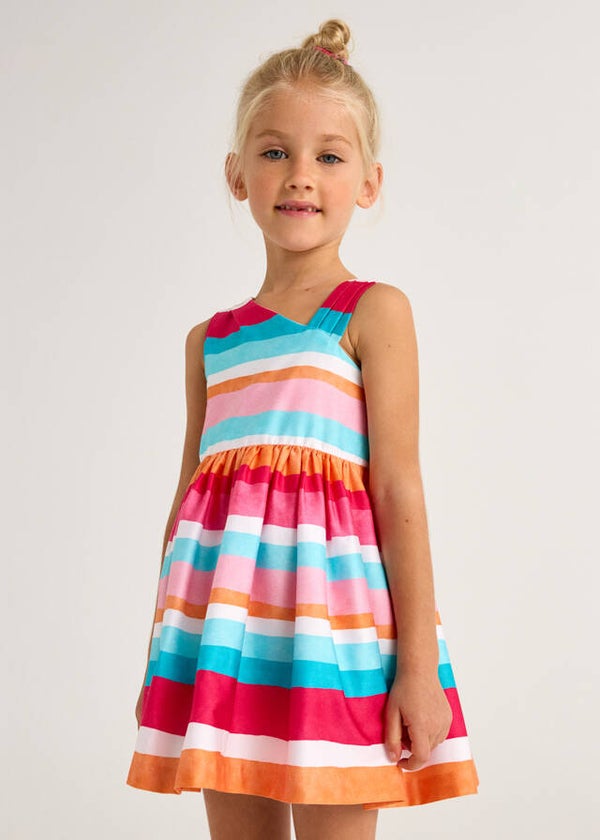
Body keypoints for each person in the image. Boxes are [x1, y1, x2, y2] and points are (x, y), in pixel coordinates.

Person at [127, 18, 479, 840]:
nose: (300, 176)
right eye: (276, 151)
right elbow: (188, 506)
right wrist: (164, 651)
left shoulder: (372, 313)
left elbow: (398, 486)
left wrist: (418, 667)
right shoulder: (209, 341)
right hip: (223, 640)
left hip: (337, 640)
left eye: (330, 156)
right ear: (237, 173)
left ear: (369, 182)